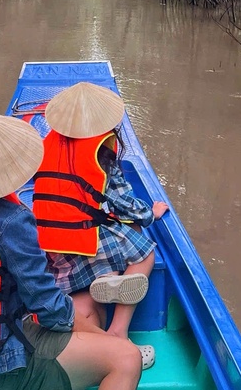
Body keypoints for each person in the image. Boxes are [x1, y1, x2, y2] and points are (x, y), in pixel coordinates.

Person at [0, 111, 143, 390]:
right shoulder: (9, 221)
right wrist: (111, 342)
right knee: (127, 359)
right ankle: (112, 347)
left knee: (89, 305)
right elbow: (48, 307)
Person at [32, 83, 169, 357]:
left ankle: (108, 274)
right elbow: (125, 205)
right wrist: (149, 214)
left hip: (50, 246)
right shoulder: (101, 152)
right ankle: (119, 329)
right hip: (86, 241)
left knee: (115, 231)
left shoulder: (46, 145)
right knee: (143, 251)